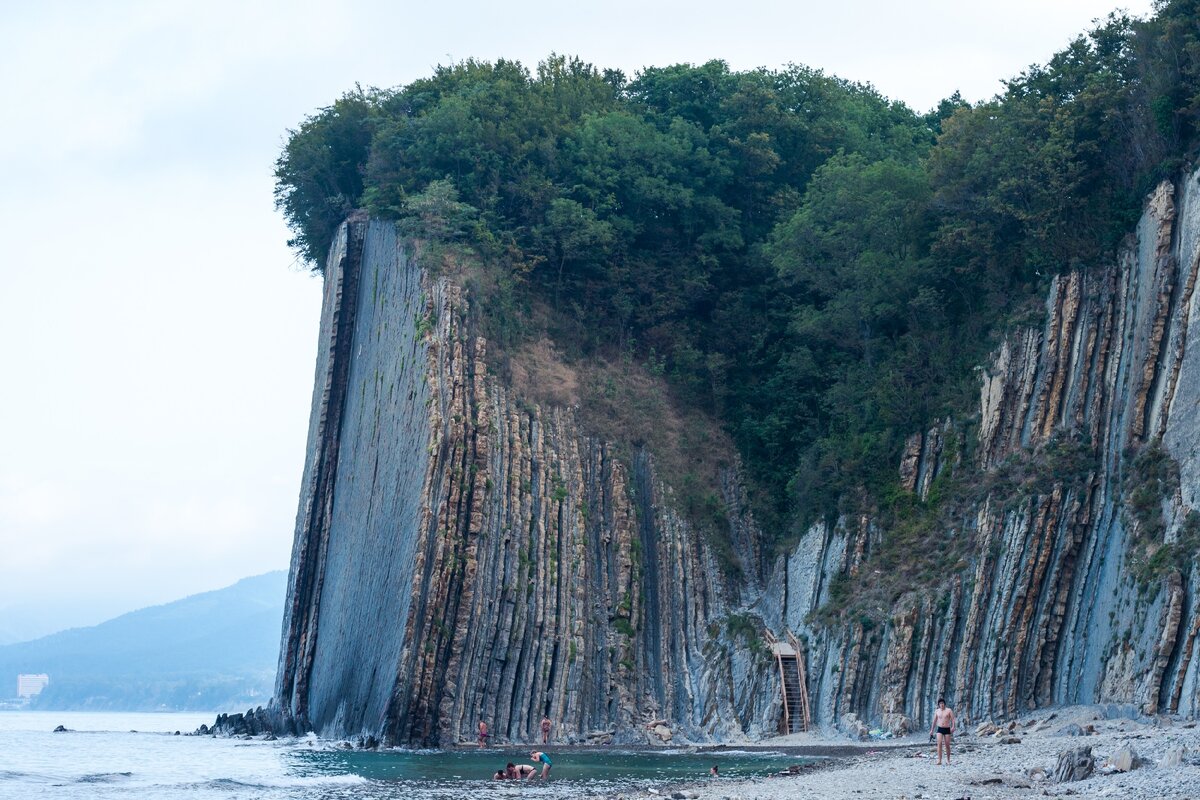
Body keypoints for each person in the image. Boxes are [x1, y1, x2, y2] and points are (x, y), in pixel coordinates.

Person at [929, 698, 955, 765]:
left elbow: (953, 719)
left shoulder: (949, 710)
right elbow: (934, 721)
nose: (941, 705)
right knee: (939, 743)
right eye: (940, 703)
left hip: (947, 729)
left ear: (944, 704)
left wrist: (953, 726)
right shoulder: (937, 711)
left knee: (947, 745)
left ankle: (948, 760)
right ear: (938, 705)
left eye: (942, 703)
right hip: (939, 729)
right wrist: (931, 730)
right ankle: (939, 760)